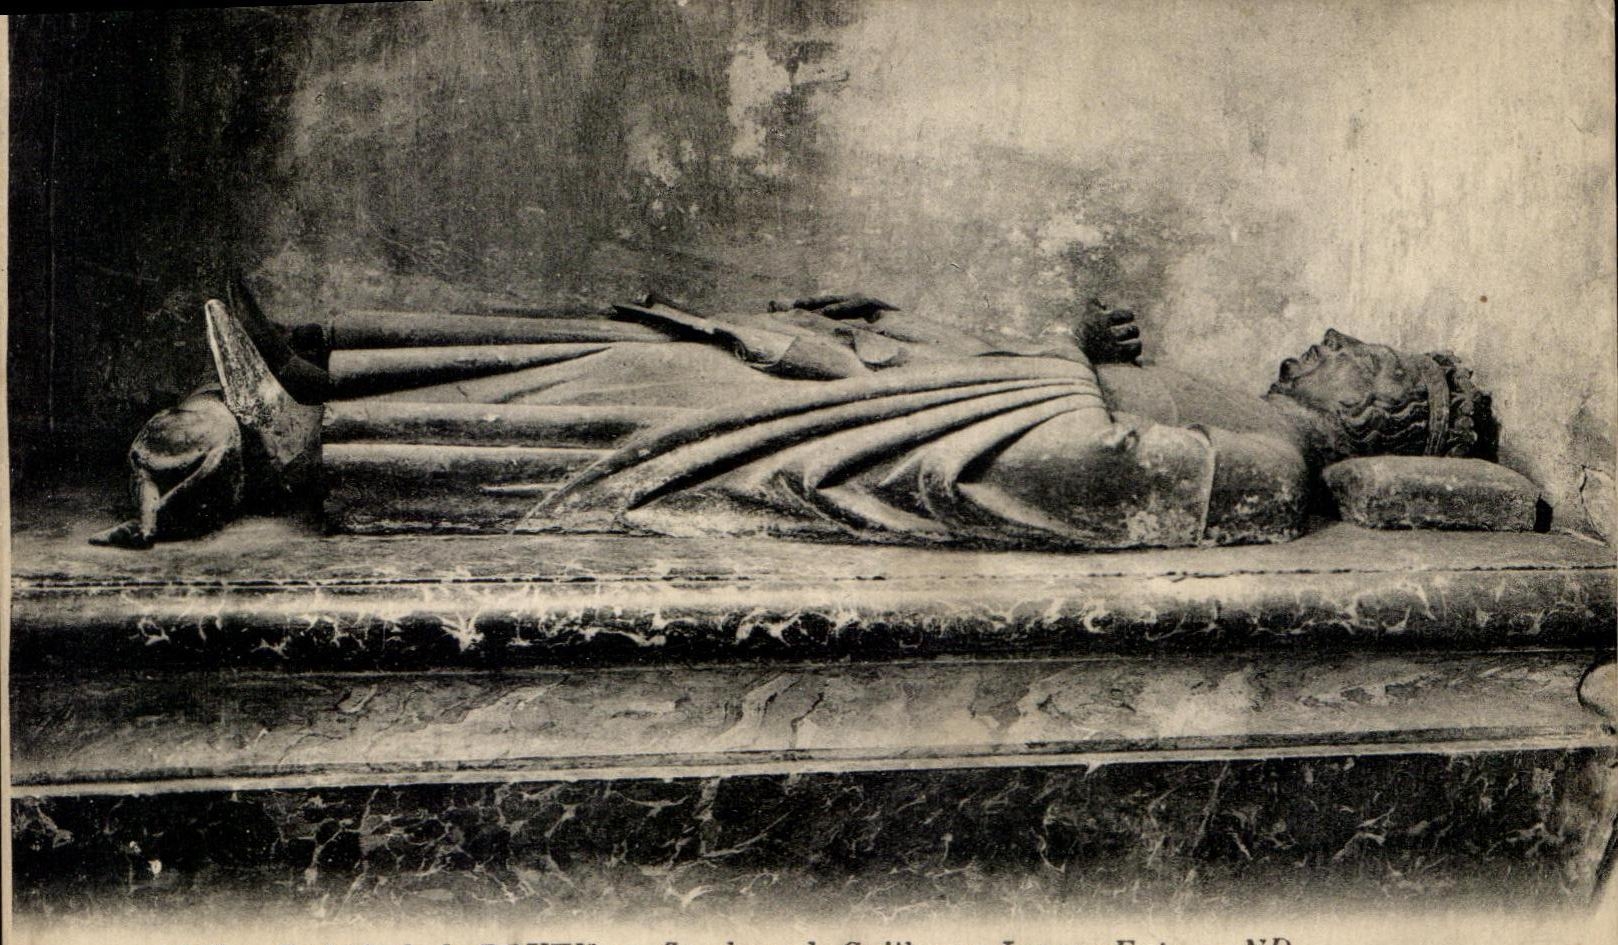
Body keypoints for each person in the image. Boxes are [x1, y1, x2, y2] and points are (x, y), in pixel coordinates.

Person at [95, 275, 1496, 550]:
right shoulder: (1245, 412)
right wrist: (1045, 342)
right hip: (887, 387)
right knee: (630, 328)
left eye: (1358, 353)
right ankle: (338, 368)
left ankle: (306, 441)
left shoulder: (1269, 466)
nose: (1322, 339)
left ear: (1384, 417)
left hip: (888, 435)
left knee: (631, 399)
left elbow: (1079, 473)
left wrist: (1022, 374)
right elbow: (1077, 406)